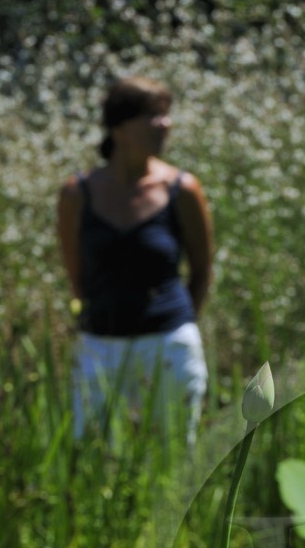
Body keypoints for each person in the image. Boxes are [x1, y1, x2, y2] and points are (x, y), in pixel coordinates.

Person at [57, 76, 214, 444]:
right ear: (119, 127)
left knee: (173, 451)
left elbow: (202, 271)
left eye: (166, 115)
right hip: (99, 346)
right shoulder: (77, 193)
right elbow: (76, 275)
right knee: (92, 449)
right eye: (152, 115)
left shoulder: (183, 190)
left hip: (169, 344)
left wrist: (177, 324)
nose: (165, 124)